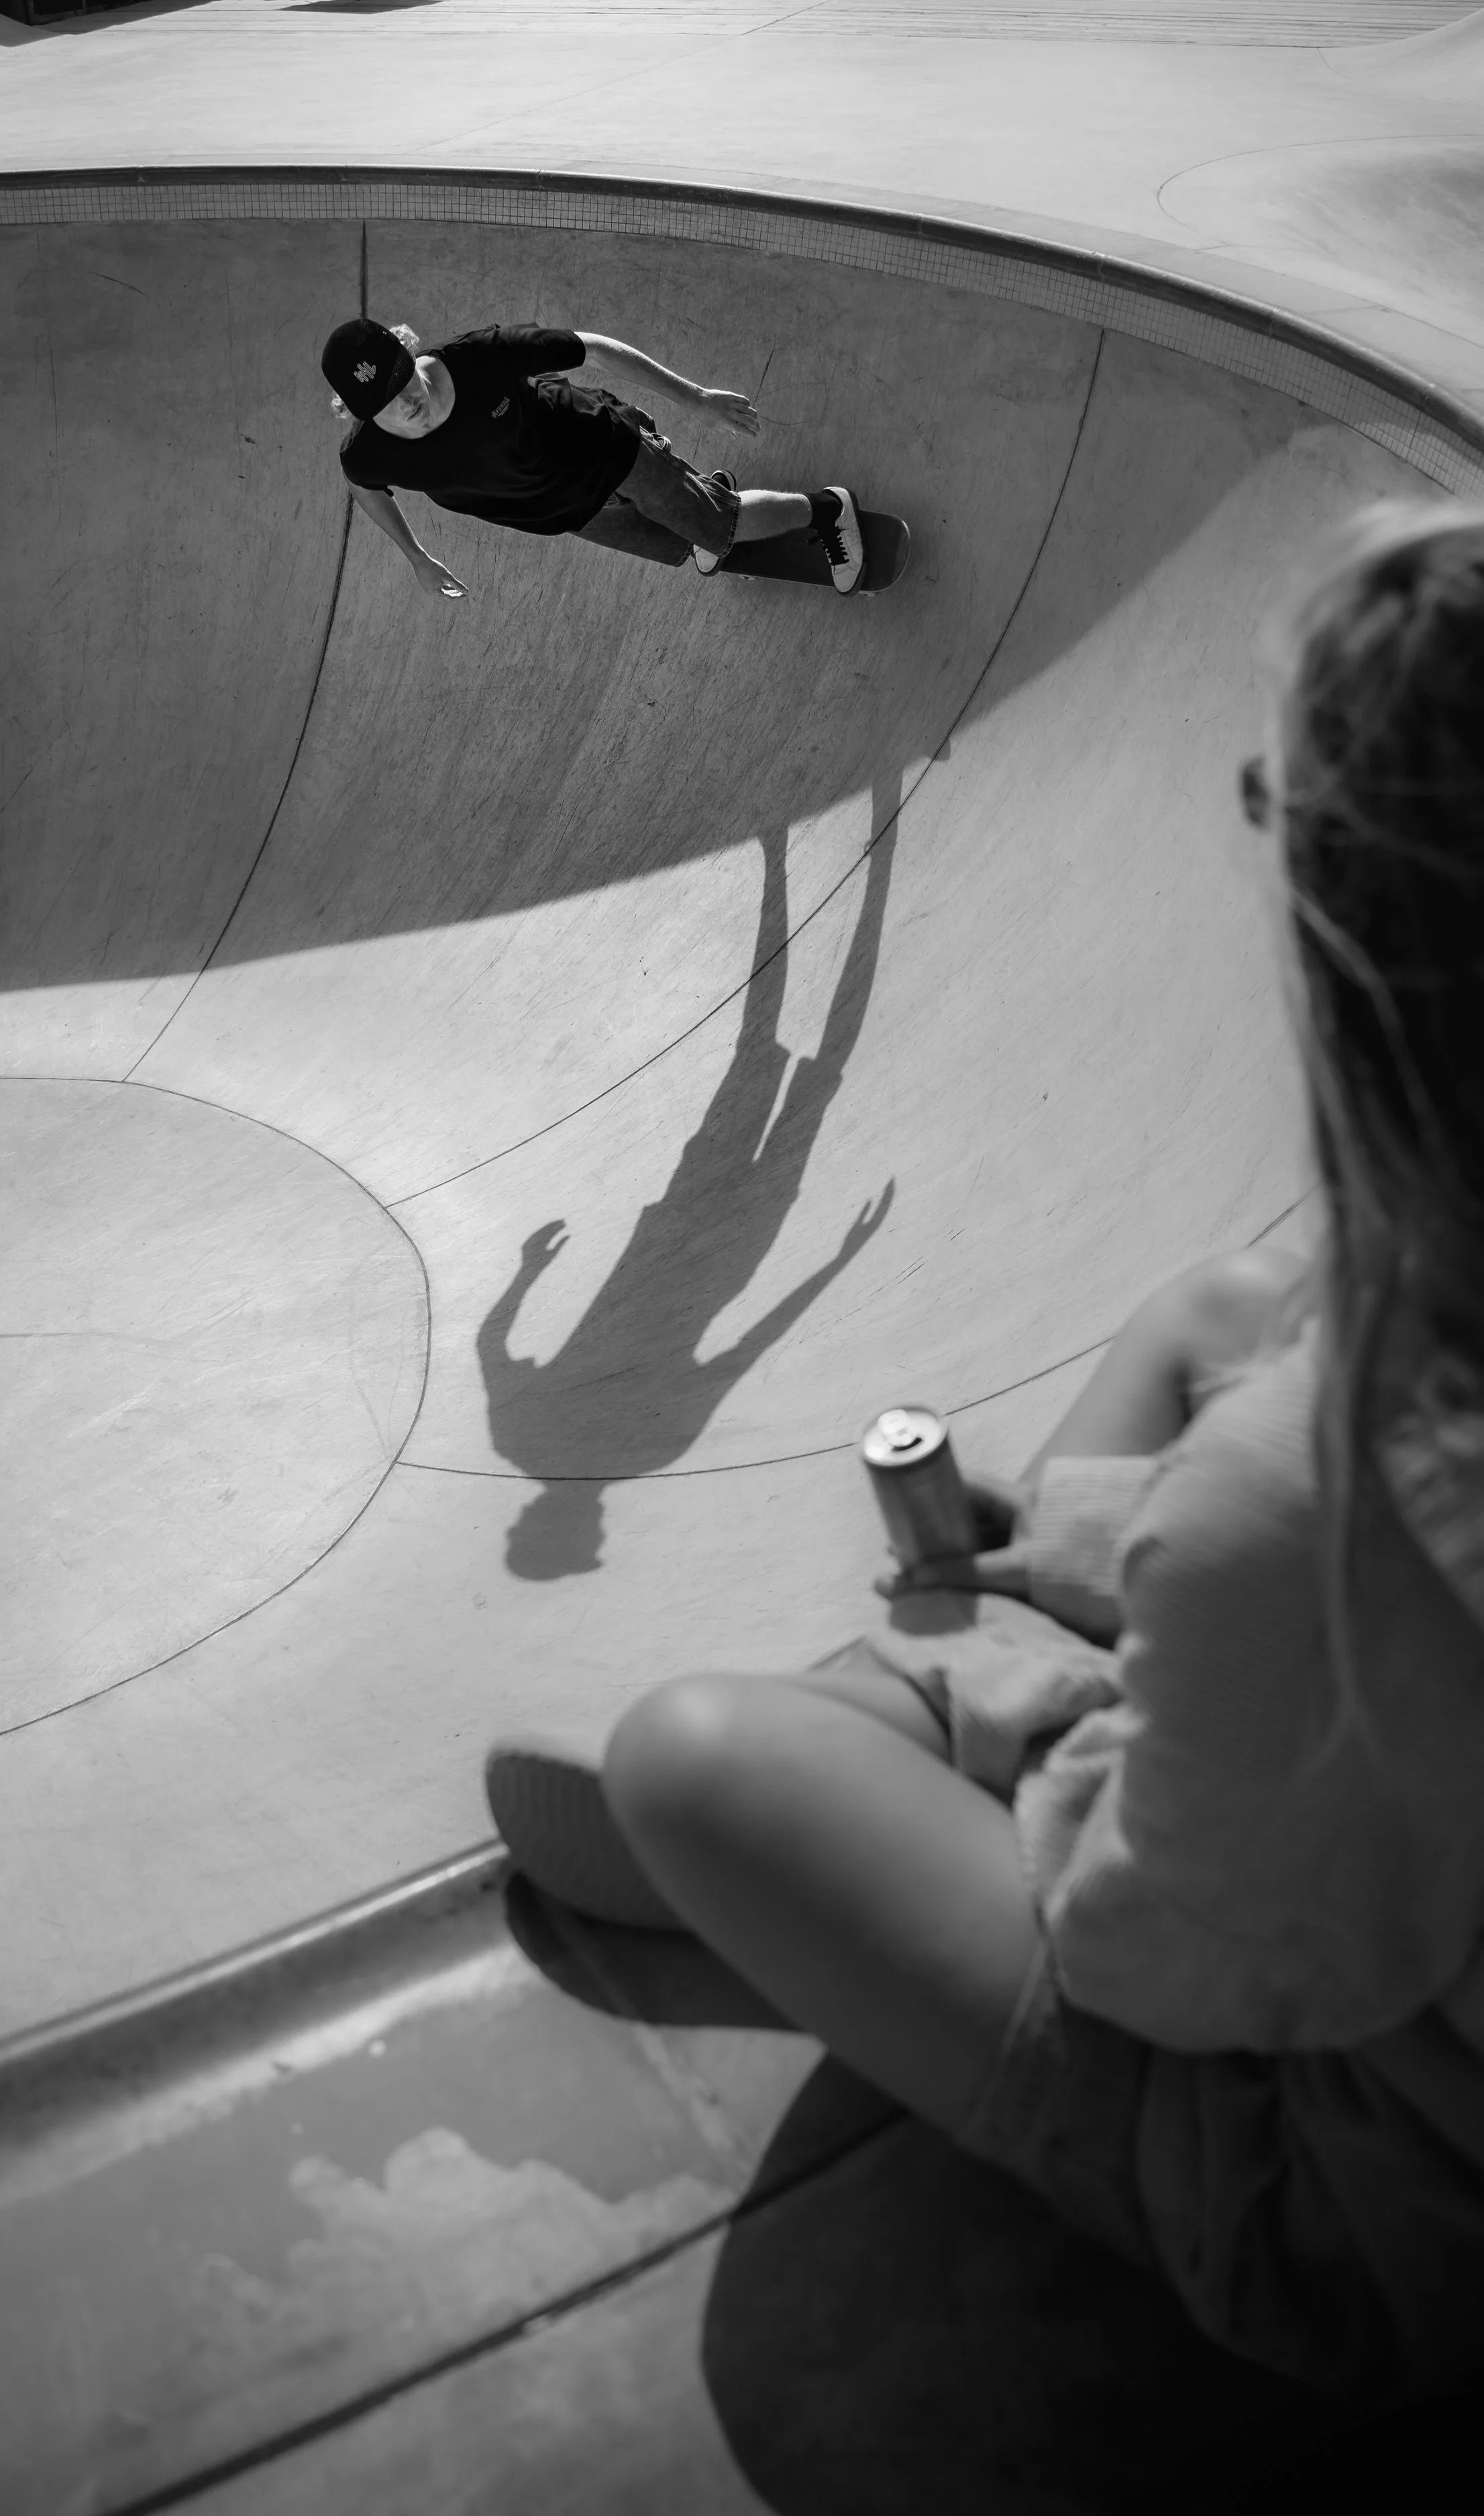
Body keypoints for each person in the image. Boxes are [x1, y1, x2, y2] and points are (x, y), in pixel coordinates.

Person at [485, 503, 1484, 2401]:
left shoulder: (1315, 1505)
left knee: (704, 1754)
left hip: (1381, 2202)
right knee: (1210, 1302)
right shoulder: (1326, 1458)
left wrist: (1049, 1706)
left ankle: (886, 1717)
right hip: (1330, 1712)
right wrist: (1170, 1563)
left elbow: (1163, 1955)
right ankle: (942, 1670)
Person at [321, 315, 865, 598]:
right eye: (387, 403)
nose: (409, 402)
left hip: (610, 451)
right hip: (571, 515)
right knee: (682, 549)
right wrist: (415, 555)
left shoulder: (481, 358)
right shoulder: (372, 453)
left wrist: (696, 398)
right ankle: (704, 496)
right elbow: (364, 486)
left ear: (409, 350)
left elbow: (595, 350)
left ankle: (828, 508)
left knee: (719, 530)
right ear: (358, 413)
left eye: (405, 379)